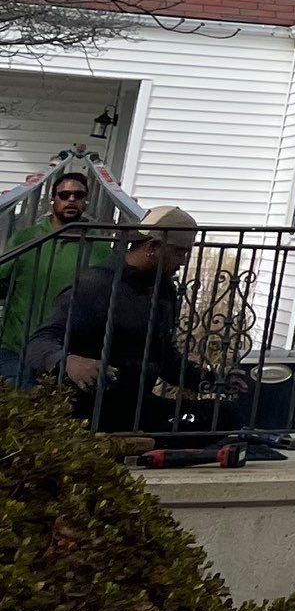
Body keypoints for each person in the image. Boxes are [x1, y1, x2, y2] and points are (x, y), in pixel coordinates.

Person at [25, 206, 200, 433]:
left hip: (138, 407)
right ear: (153, 247)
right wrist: (70, 362)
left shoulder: (164, 290)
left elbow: (163, 357)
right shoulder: (96, 285)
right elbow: (40, 342)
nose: (184, 261)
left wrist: (208, 378)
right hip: (89, 410)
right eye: (179, 252)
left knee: (223, 415)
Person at [0, 170, 98, 390]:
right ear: (52, 199)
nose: (71, 200)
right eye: (64, 195)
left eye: (78, 195)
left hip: (69, 354)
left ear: (86, 201)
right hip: (17, 348)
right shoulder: (26, 239)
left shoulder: (99, 245)